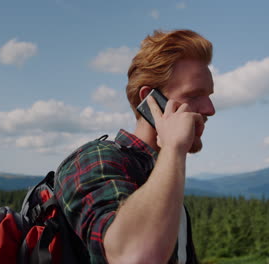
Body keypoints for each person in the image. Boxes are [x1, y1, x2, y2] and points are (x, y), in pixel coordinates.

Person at [54, 29, 215, 264]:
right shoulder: (95, 159)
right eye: (194, 95)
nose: (210, 109)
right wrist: (173, 148)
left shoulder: (160, 177)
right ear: (150, 101)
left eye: (209, 95)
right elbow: (135, 256)